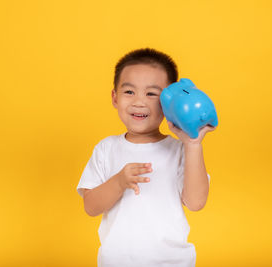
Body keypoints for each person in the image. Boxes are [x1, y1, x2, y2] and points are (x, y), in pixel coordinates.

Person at [76, 48, 216, 267]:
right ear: (115, 97)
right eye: (129, 92)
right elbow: (90, 207)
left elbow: (196, 202)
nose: (139, 102)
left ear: (169, 102)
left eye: (151, 94)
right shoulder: (106, 149)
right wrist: (119, 182)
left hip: (172, 263)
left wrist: (193, 144)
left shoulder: (180, 150)